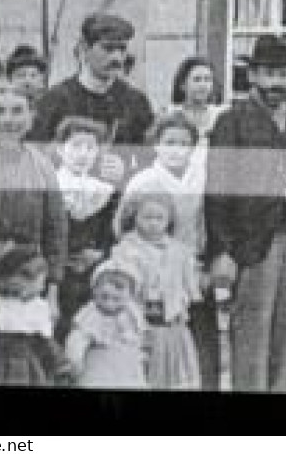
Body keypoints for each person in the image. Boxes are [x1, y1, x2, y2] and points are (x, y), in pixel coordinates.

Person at [204, 34, 286, 393]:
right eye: (268, 74)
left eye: (284, 74)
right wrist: (222, 250)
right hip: (253, 241)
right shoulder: (233, 120)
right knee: (253, 333)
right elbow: (218, 188)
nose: (276, 83)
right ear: (253, 76)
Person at [117, 112, 215, 387]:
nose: (176, 149)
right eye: (169, 142)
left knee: (195, 341)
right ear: (156, 145)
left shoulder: (203, 178)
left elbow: (209, 222)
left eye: (184, 143)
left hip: (192, 266)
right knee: (153, 340)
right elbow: (123, 225)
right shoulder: (143, 181)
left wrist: (205, 264)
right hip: (150, 269)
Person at [0, 90, 68, 318]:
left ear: (31, 117)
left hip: (29, 280)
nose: (8, 120)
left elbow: (56, 232)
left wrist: (52, 295)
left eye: (17, 111)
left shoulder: (42, 166)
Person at [30, 14, 155, 184]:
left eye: (122, 49)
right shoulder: (54, 100)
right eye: (108, 49)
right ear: (84, 49)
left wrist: (127, 170)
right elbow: (36, 158)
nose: (117, 58)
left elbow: (151, 161)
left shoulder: (136, 101)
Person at [110, 195, 202, 389]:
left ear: (169, 220)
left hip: (173, 325)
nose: (153, 223)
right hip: (141, 323)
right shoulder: (127, 249)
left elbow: (189, 288)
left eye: (159, 218)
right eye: (147, 217)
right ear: (134, 217)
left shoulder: (179, 251)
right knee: (146, 370)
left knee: (176, 372)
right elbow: (125, 287)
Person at [52, 116, 119, 337]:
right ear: (61, 150)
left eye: (90, 148)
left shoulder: (104, 191)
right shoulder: (51, 187)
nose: (83, 154)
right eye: (76, 146)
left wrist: (100, 253)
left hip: (93, 276)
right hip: (57, 275)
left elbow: (111, 235)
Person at [0, 244, 73, 387]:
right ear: (19, 280)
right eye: (40, 282)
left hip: (26, 367)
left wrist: (61, 363)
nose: (42, 287)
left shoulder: (37, 308)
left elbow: (46, 343)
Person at [64, 257, 146, 390]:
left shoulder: (131, 314)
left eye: (118, 290)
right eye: (104, 295)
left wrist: (140, 354)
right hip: (99, 370)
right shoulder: (91, 315)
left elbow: (138, 337)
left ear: (131, 295)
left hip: (128, 370)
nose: (110, 293)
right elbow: (76, 340)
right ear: (94, 291)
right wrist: (75, 361)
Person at [167, 57, 223, 142]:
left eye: (207, 79)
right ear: (182, 84)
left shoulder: (221, 115)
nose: (203, 85)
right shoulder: (169, 115)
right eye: (197, 79)